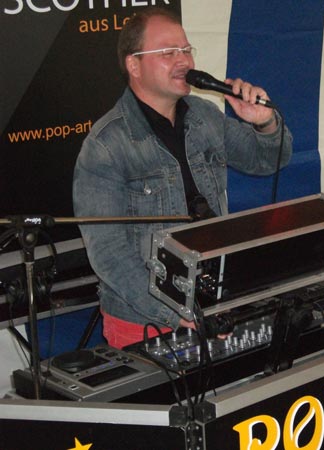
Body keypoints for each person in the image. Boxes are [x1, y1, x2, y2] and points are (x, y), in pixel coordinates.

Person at [72, 7, 293, 349]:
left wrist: (264, 122)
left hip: (213, 303)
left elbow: (266, 159)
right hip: (145, 321)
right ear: (134, 65)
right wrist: (176, 311)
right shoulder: (106, 144)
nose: (184, 61)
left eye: (186, 50)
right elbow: (108, 253)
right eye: (168, 52)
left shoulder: (205, 115)